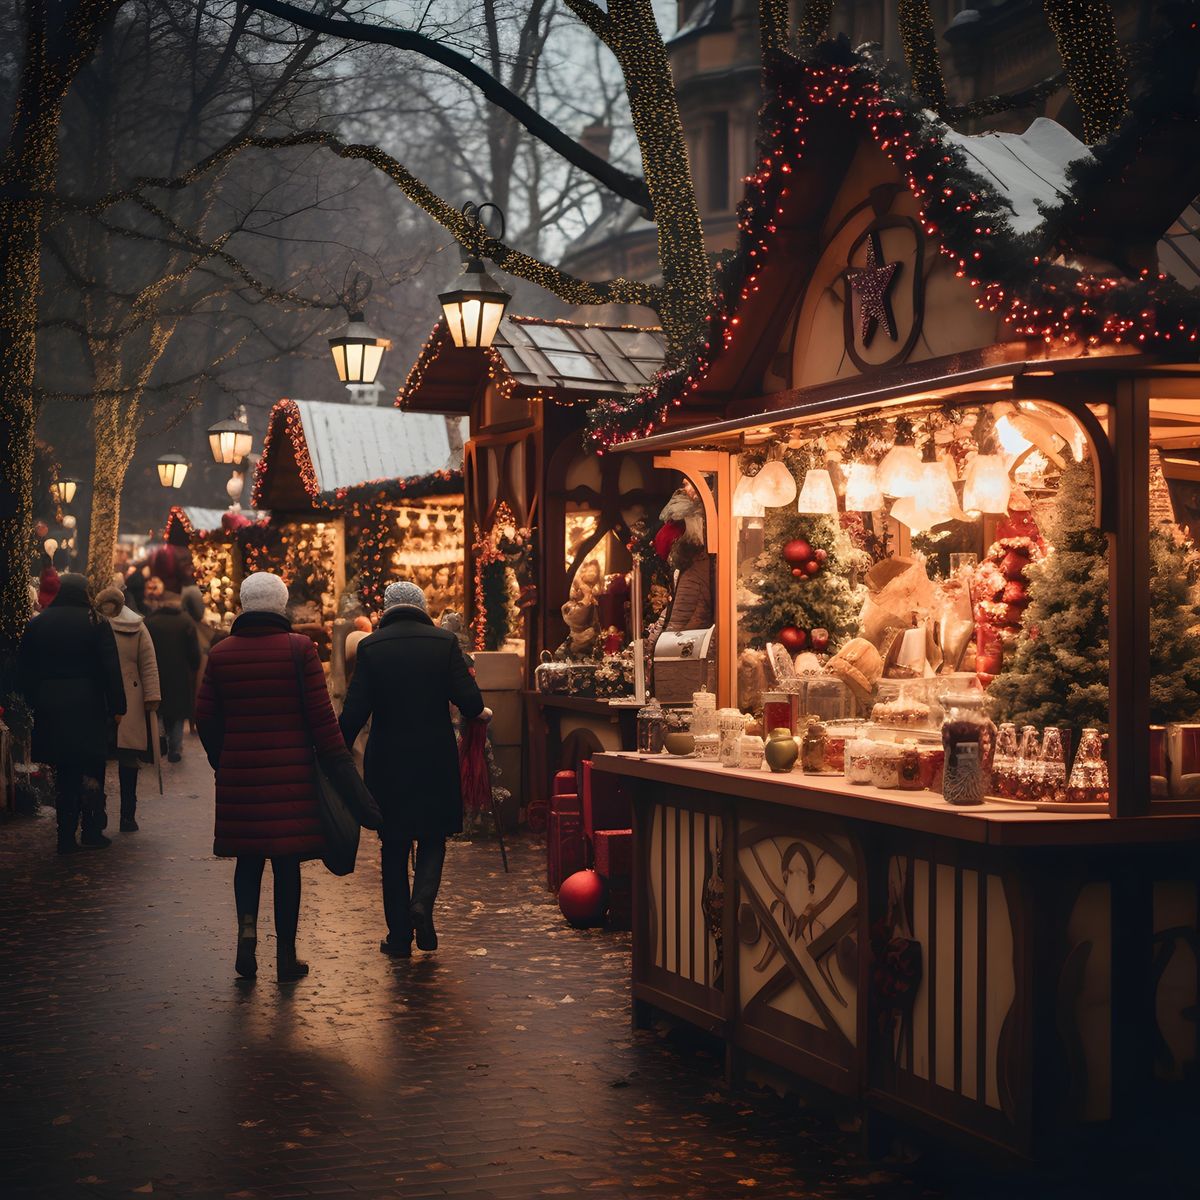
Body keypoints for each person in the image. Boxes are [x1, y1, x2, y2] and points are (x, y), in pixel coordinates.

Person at [196, 572, 360, 981]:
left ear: (243, 603)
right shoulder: (299, 648)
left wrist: (224, 760)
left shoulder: (221, 653)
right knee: (287, 864)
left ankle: (247, 934)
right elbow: (322, 720)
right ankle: (286, 956)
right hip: (292, 778)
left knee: (248, 859)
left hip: (240, 776)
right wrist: (341, 771)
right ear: (280, 604)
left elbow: (205, 717)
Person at [340, 580, 485, 958]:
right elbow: (469, 701)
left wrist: (334, 752)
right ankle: (422, 902)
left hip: (387, 760)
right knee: (434, 836)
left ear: (387, 610)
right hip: (434, 757)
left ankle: (400, 936)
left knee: (394, 845)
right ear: (422, 606)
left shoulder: (370, 647)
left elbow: (354, 712)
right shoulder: (443, 643)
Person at [18, 573, 126, 853]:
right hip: (87, 705)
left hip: (51, 705)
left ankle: (65, 835)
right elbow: (110, 667)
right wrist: (118, 705)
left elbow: (25, 668)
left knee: (64, 770)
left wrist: (31, 702)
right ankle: (91, 829)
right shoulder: (96, 623)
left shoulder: (39, 623)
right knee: (91, 768)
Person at [95, 587, 161, 832]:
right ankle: (127, 815)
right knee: (127, 756)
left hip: (102, 697)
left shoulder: (95, 624)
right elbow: (148, 663)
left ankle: (100, 814)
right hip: (130, 696)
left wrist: (152, 695)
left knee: (106, 755)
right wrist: (152, 697)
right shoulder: (137, 626)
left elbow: (148, 662)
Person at [145, 592, 200, 762]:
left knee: (159, 709)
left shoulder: (150, 622)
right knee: (177, 713)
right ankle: (175, 748)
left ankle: (159, 740)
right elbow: (194, 653)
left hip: (156, 672)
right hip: (179, 675)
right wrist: (194, 666)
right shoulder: (185, 621)